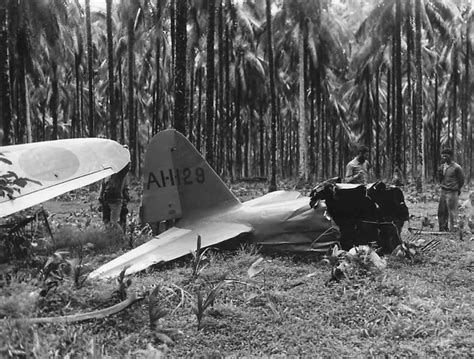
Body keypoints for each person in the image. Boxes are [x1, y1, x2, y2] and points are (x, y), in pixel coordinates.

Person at [437, 148, 464, 232]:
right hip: (443, 191)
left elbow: (461, 180)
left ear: (450, 156)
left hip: (452, 191)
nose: (444, 157)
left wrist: (456, 188)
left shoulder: (457, 167)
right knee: (441, 210)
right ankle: (443, 228)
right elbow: (440, 178)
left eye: (446, 155)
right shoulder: (442, 167)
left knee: (452, 211)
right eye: (443, 155)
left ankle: (454, 229)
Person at [99, 162, 131, 232]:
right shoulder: (108, 174)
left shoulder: (121, 174)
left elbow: (125, 187)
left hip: (116, 200)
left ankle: (122, 237)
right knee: (107, 221)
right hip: (107, 199)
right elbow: (103, 184)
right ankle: (110, 236)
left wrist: (126, 197)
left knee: (114, 222)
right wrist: (100, 196)